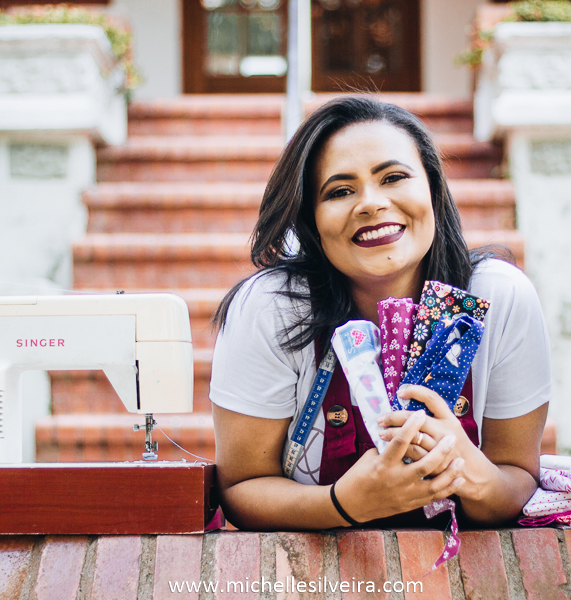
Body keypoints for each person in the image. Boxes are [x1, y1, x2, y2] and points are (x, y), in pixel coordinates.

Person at [210, 96, 551, 530]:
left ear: (432, 188)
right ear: (311, 219)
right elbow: (242, 488)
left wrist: (474, 474)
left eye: (393, 177)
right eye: (339, 191)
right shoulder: (271, 307)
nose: (371, 204)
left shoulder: (499, 298)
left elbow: (517, 479)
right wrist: (346, 503)